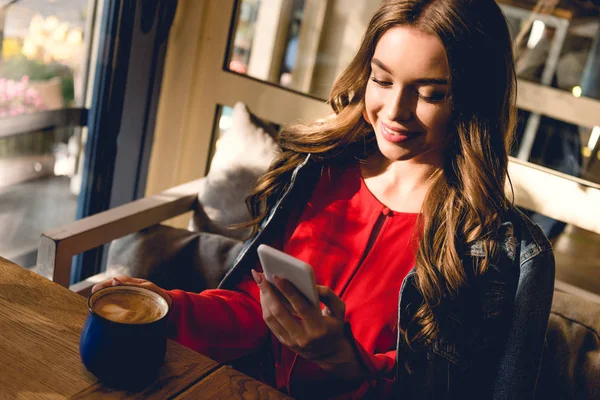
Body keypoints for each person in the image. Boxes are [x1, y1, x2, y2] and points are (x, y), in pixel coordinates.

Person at [93, 0, 556, 398]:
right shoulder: (318, 168)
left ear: (474, 100)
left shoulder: (501, 250)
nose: (394, 112)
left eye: (430, 93)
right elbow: (260, 313)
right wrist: (171, 307)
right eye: (382, 79)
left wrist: (344, 363)